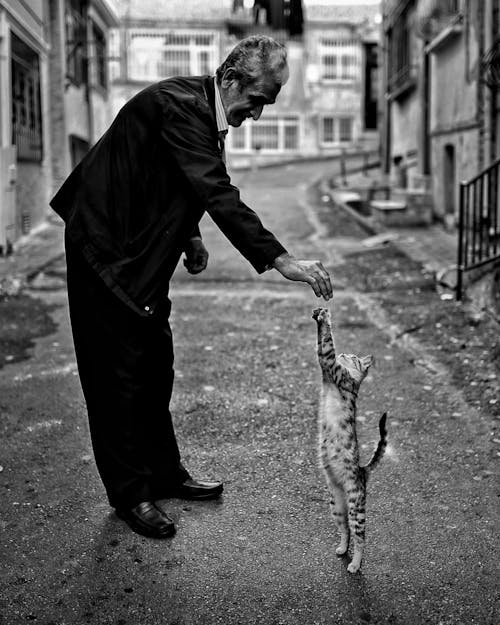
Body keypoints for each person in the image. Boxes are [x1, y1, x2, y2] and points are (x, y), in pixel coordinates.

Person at [50, 35, 332, 539]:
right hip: (105, 249)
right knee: (114, 379)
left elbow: (172, 177)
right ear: (230, 79)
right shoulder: (179, 106)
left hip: (141, 251)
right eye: (259, 100)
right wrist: (281, 258)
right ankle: (130, 494)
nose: (258, 114)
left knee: (155, 365)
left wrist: (190, 235)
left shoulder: (201, 109)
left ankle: (164, 474)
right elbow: (214, 188)